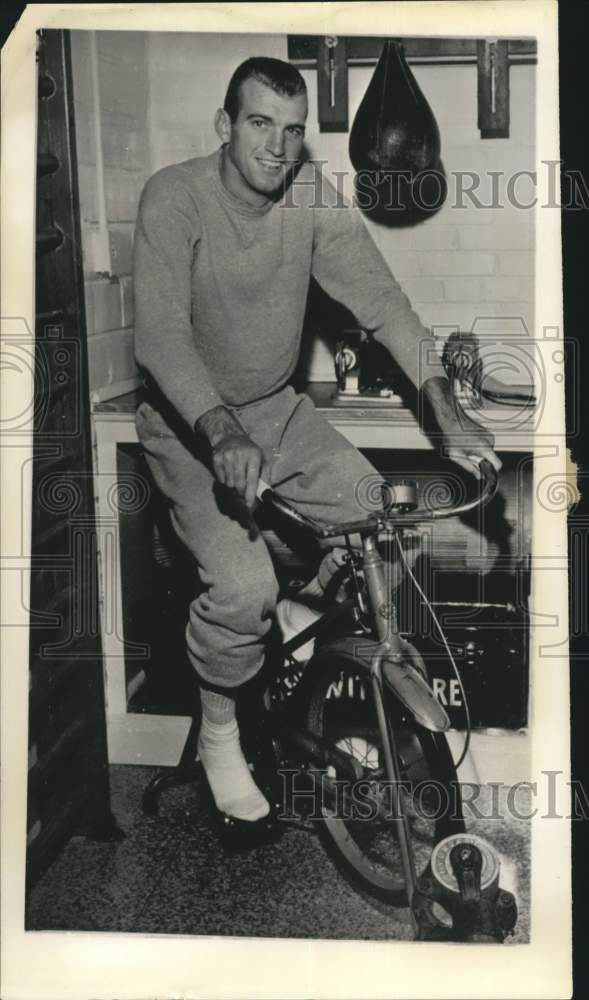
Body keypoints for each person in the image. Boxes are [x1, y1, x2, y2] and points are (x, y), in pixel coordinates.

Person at [133, 56, 500, 836]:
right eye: (259, 124)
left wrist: (441, 403)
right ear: (225, 127)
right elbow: (161, 340)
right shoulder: (175, 196)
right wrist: (220, 428)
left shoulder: (307, 196)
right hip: (187, 425)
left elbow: (380, 300)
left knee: (384, 518)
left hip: (274, 409)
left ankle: (294, 643)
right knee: (239, 587)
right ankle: (224, 735)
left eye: (292, 130)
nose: (276, 146)